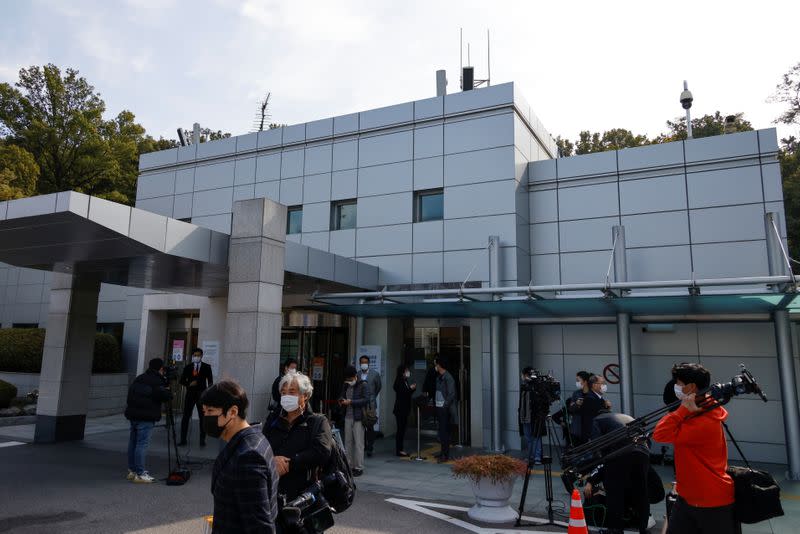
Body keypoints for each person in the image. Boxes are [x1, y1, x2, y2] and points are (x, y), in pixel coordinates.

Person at [653, 362, 736, 534]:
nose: (676, 387)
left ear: (691, 387)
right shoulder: (703, 409)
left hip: (710, 501)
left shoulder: (702, 421)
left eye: (679, 384)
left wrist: (682, 409)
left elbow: (660, 433)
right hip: (689, 497)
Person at [201, 380, 279, 534]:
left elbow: (260, 527)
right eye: (204, 412)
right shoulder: (253, 439)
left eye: (210, 411)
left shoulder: (248, 457)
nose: (206, 417)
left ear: (233, 412)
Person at [262, 372, 333, 501]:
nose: (286, 396)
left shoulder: (317, 422)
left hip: (303, 496)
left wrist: (290, 463)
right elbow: (261, 446)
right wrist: (272, 460)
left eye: (292, 392)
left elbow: (322, 451)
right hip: (270, 491)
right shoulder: (273, 418)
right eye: (283, 393)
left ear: (305, 396)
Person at [584, 411, 652, 534]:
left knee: (615, 491)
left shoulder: (597, 420)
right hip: (643, 453)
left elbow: (598, 448)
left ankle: (615, 529)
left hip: (620, 452)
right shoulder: (623, 417)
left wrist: (592, 476)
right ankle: (643, 527)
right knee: (641, 490)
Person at [124, 357, 173, 483]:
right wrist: (168, 387)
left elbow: (130, 395)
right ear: (161, 368)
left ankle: (132, 470)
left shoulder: (139, 378)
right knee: (142, 444)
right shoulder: (157, 381)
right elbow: (166, 396)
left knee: (133, 443)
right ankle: (140, 473)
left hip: (133, 415)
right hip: (146, 417)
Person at [338, 365, 370, 476]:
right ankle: (349, 466)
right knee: (348, 442)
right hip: (347, 416)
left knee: (359, 443)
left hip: (358, 417)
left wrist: (351, 402)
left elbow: (366, 400)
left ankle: (359, 467)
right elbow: (342, 395)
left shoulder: (363, 385)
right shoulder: (345, 385)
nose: (349, 381)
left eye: (350, 379)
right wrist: (341, 400)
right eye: (347, 379)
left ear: (355, 376)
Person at [179, 347, 213, 447]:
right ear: (192, 356)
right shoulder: (188, 367)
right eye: (194, 355)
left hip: (202, 396)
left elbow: (210, 382)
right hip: (190, 395)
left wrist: (207, 392)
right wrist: (189, 383)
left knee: (202, 418)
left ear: (201, 356)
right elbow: (181, 380)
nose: (196, 357)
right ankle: (183, 439)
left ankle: (202, 440)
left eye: (198, 355)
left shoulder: (207, 367)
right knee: (185, 417)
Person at [518, 367, 545, 464]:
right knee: (528, 437)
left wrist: (533, 384)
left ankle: (537, 457)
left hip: (535, 416)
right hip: (524, 416)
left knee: (536, 437)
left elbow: (541, 400)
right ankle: (531, 456)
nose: (522, 377)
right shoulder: (524, 386)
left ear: (525, 375)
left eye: (522, 375)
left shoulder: (537, 386)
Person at [434, 356, 457, 463]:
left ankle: (445, 455)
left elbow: (451, 394)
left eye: (436, 364)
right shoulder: (440, 377)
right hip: (439, 407)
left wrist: (445, 405)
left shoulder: (448, 377)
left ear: (439, 365)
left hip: (445, 409)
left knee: (444, 432)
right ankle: (442, 452)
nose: (435, 366)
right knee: (441, 431)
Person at [358, 355, 382, 457]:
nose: (364, 364)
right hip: (360, 403)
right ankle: (362, 445)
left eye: (365, 362)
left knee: (370, 425)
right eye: (362, 362)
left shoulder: (375, 374)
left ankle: (370, 446)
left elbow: (378, 387)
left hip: (370, 404)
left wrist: (372, 397)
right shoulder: (357, 374)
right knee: (360, 425)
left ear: (368, 363)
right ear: (360, 363)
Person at [578, 375, 611, 443]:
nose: (604, 386)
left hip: (597, 436)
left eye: (605, 383)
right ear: (594, 385)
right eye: (602, 383)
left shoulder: (599, 398)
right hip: (593, 438)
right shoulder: (590, 398)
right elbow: (599, 415)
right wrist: (607, 408)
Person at [392, 364, 416, 457]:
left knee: (402, 429)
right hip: (400, 409)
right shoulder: (399, 381)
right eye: (406, 370)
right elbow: (402, 393)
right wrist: (410, 388)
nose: (408, 372)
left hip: (405, 408)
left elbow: (407, 393)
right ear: (402, 372)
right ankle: (399, 450)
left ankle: (400, 449)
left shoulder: (405, 380)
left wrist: (412, 389)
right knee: (400, 430)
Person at [567, 371, 592, 445]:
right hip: (577, 428)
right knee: (577, 451)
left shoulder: (592, 393)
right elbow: (570, 409)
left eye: (578, 380)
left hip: (589, 428)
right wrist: (576, 404)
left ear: (585, 382)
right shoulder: (576, 393)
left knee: (589, 452)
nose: (577, 383)